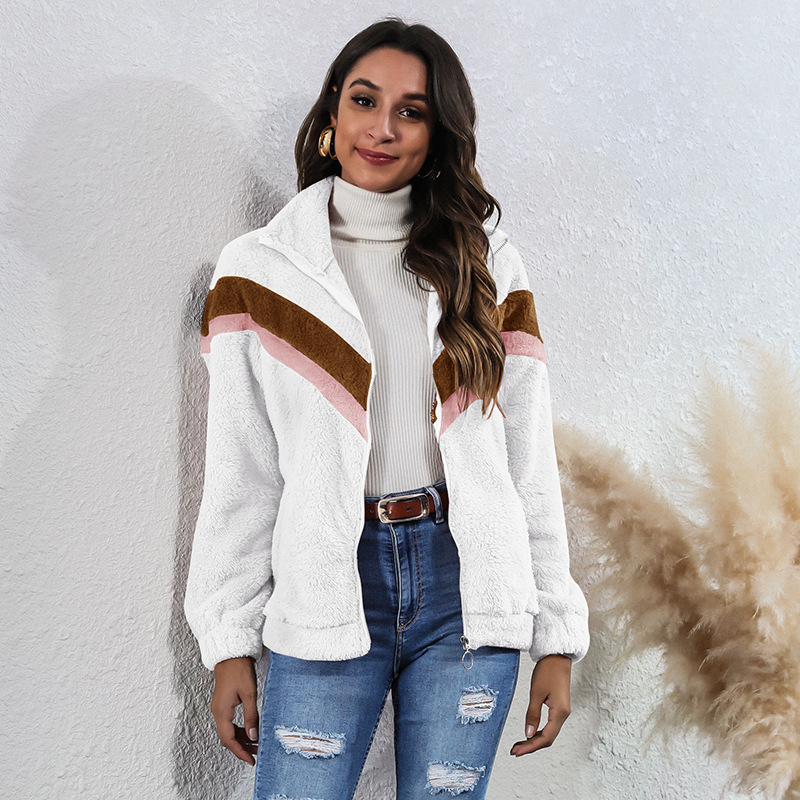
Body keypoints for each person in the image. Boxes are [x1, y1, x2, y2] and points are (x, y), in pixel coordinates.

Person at [184, 17, 590, 800]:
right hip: (326, 581)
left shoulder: (486, 263)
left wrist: (555, 635)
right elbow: (242, 473)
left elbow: (527, 465)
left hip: (467, 590)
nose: (383, 128)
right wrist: (228, 639)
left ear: (438, 134)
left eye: (412, 111)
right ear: (333, 112)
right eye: (365, 101)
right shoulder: (259, 272)